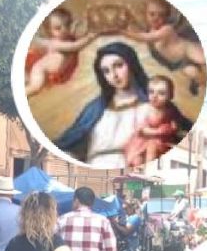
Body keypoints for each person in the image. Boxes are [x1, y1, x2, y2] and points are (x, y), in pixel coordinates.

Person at [54, 42, 190, 168]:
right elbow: (70, 145)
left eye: (118, 65)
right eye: (106, 71)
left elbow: (181, 136)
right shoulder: (95, 109)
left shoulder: (156, 106)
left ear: (132, 65)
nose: (113, 75)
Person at [124, 0, 206, 95]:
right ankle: (198, 82)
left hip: (187, 50)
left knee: (202, 59)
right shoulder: (148, 30)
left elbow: (146, 38)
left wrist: (125, 33)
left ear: (166, 17)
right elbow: (142, 33)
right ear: (145, 15)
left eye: (161, 15)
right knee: (193, 73)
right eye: (152, 14)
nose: (156, 18)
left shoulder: (166, 29)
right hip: (179, 63)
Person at [25, 8, 97, 96]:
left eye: (66, 25)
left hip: (53, 73)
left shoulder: (68, 37)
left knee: (33, 84)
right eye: (58, 28)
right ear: (50, 31)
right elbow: (75, 47)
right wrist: (89, 38)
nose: (63, 30)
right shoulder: (56, 43)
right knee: (35, 87)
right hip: (41, 70)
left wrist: (86, 19)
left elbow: (79, 28)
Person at [125, 76, 186, 169]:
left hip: (162, 142)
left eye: (161, 93)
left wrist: (172, 128)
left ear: (170, 96)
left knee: (154, 147)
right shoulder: (145, 109)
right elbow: (141, 130)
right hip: (141, 142)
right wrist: (158, 132)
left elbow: (174, 125)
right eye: (151, 92)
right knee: (138, 160)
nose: (154, 96)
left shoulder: (170, 109)